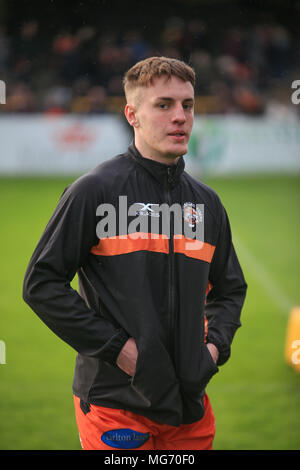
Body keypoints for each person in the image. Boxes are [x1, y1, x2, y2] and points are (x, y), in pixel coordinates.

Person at [23, 56, 247, 450]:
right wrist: (119, 351)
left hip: (189, 408)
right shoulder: (95, 191)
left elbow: (230, 289)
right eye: (164, 105)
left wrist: (213, 350)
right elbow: (41, 284)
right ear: (133, 114)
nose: (180, 116)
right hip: (115, 406)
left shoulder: (207, 204)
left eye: (188, 105)